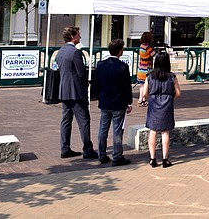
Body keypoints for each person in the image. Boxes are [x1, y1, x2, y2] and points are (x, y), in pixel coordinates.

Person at [57, 26, 98, 160]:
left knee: (65, 121)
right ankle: (87, 149)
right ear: (73, 37)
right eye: (78, 35)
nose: (80, 37)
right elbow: (81, 73)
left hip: (64, 91)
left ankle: (65, 148)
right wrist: (86, 85)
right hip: (76, 92)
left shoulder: (60, 52)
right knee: (84, 121)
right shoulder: (75, 52)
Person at [92, 39, 133, 167]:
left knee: (103, 129)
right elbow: (127, 87)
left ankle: (102, 154)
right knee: (117, 130)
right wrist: (129, 102)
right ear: (120, 51)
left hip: (105, 101)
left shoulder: (100, 65)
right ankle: (117, 156)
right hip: (118, 102)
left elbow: (96, 84)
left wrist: (98, 96)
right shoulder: (123, 67)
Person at [139, 52, 181, 168]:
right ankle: (165, 159)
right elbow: (178, 93)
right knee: (165, 132)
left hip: (153, 104)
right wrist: (169, 96)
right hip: (167, 104)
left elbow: (145, 93)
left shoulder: (150, 76)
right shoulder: (172, 77)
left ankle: (152, 159)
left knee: (153, 131)